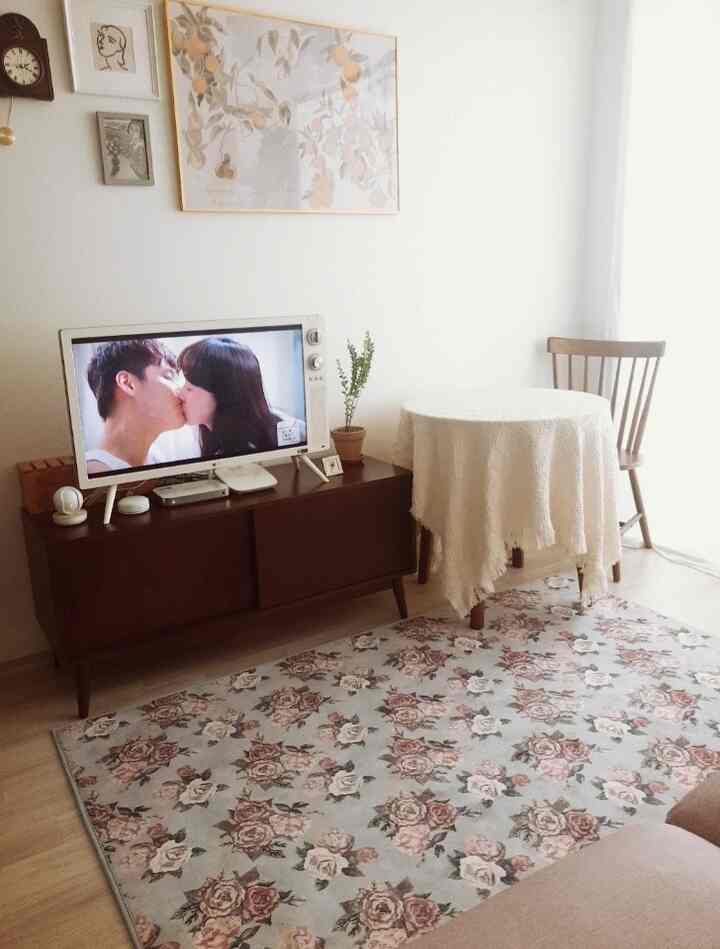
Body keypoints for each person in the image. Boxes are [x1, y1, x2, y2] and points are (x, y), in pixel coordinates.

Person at [177, 336, 306, 457]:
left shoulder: (287, 432)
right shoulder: (209, 437)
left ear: (225, 395)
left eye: (189, 388)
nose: (179, 394)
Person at [85, 339, 185, 473]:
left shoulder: (157, 458)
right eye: (168, 376)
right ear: (128, 383)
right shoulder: (94, 471)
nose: (182, 390)